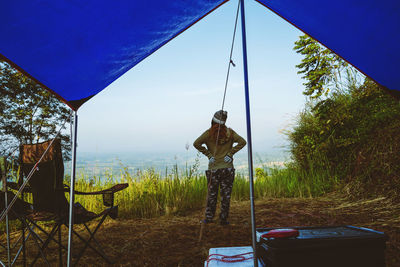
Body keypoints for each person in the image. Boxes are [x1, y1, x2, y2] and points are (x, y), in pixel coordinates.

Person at [193, 110, 246, 225]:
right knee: (225, 195)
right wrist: (230, 154)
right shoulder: (230, 133)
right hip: (228, 168)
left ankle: (209, 218)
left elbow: (196, 143)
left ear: (213, 120)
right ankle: (223, 219)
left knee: (212, 195)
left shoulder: (208, 133)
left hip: (214, 169)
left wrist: (209, 155)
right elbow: (243, 142)